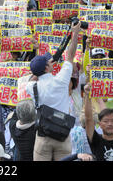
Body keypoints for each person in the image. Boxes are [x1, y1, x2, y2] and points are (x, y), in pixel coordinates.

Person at [25, 21, 82, 161]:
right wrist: (75, 34)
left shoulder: (31, 87)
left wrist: (42, 69)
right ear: (46, 68)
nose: (51, 62)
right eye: (48, 62)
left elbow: (33, 77)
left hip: (43, 135)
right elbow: (70, 55)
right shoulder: (61, 80)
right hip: (62, 135)